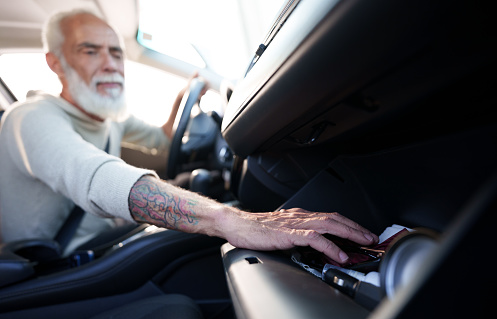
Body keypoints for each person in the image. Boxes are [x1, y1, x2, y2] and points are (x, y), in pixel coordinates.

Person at [0, 9, 378, 262]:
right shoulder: (30, 118)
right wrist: (231, 220)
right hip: (64, 263)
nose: (111, 64)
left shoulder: (107, 117)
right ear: (56, 62)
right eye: (90, 51)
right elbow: (96, 177)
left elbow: (164, 142)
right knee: (212, 247)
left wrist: (184, 98)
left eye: (116, 53)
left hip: (105, 239)